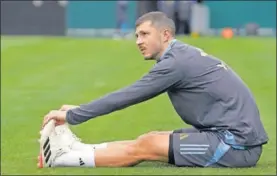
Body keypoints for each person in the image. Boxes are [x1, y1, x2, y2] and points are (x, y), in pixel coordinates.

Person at [39, 11, 268, 168]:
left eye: (145, 34)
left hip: (236, 145)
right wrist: (78, 111)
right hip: (228, 135)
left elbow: (129, 95)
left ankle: (62, 159)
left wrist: (73, 115)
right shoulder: (181, 54)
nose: (138, 41)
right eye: (137, 35)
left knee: (147, 146)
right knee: (151, 138)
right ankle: (76, 149)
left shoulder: (175, 64)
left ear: (165, 35)